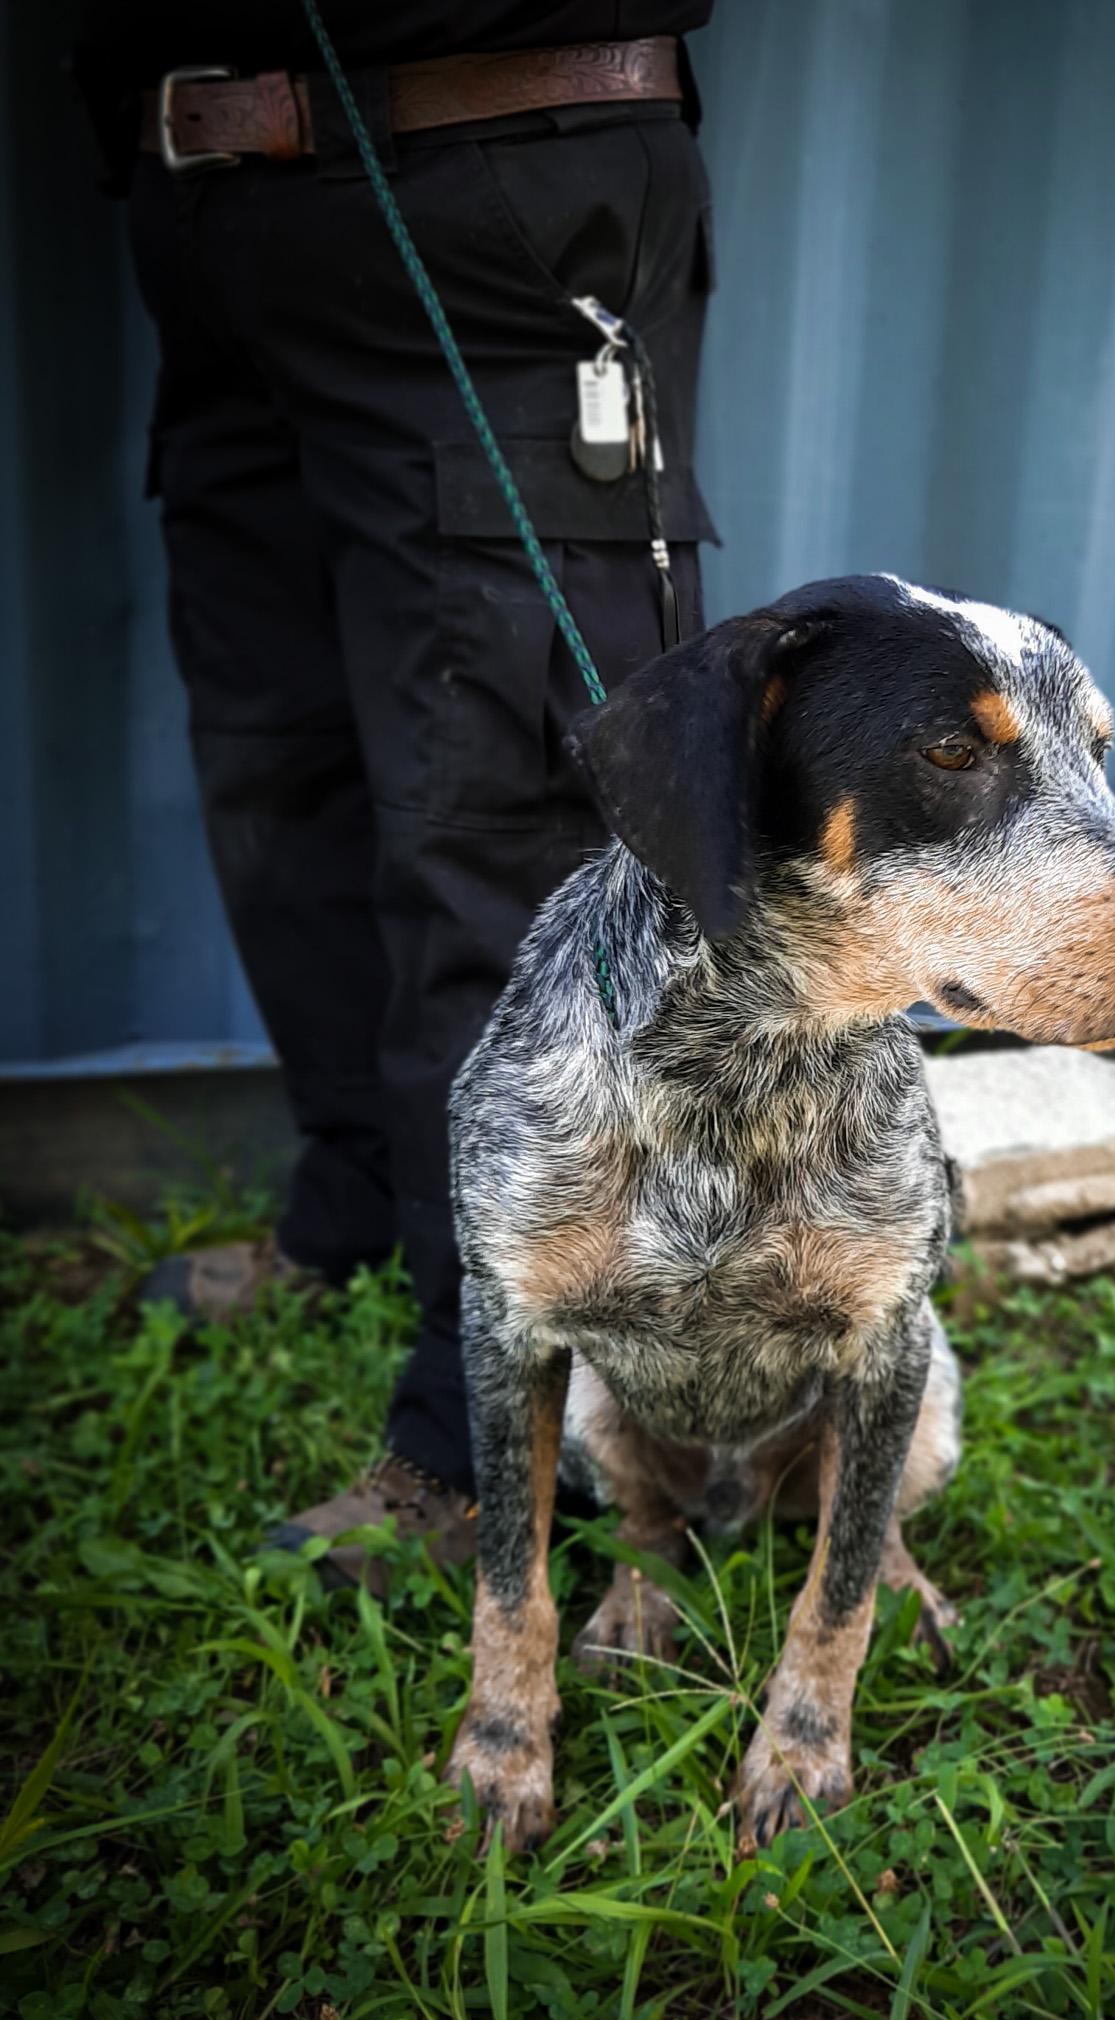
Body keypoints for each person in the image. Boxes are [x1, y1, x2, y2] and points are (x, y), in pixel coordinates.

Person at [73, 2, 718, 1581]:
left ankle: (497, 1424)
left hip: (480, 176)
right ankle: (363, 1191)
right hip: (214, 219)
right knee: (285, 760)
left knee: (498, 830)